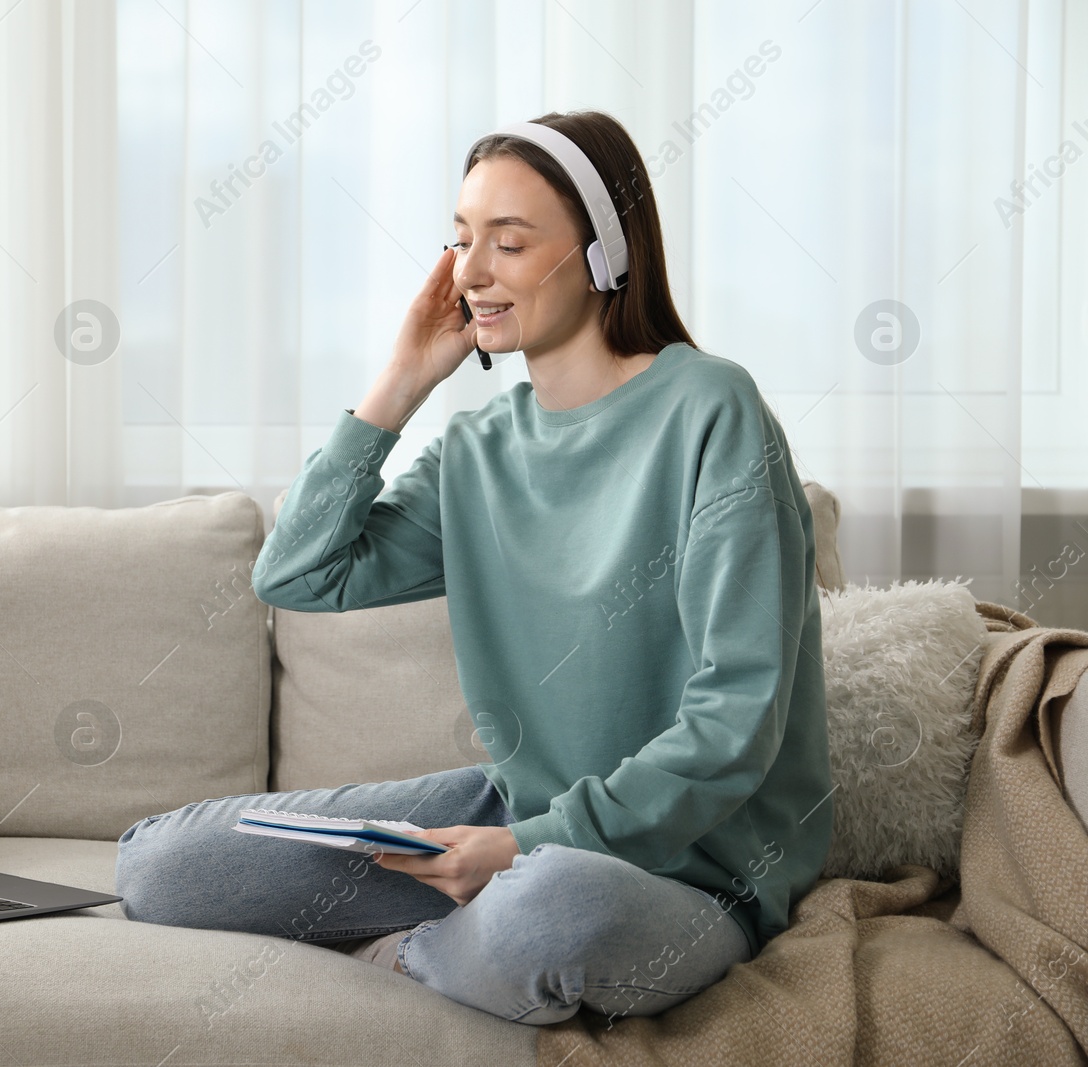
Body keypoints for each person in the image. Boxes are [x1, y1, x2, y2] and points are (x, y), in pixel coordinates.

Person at [114, 109, 833, 1028]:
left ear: (604, 253)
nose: (472, 271)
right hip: (517, 812)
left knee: (556, 910)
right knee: (163, 867)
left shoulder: (710, 409)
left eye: (509, 242)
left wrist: (522, 849)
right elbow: (296, 574)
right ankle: (464, 949)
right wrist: (402, 380)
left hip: (696, 871)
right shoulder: (478, 448)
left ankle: (402, 954)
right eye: (460, 241)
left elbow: (737, 721)